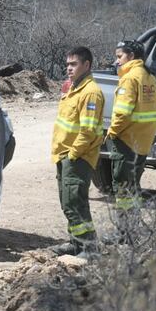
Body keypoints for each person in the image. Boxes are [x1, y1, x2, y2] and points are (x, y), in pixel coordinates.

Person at [49, 46, 105, 256]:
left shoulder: (91, 93)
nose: (69, 69)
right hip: (64, 155)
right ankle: (75, 242)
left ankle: (89, 248)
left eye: (73, 64)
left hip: (77, 157)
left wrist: (73, 155)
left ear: (86, 65)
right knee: (68, 203)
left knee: (76, 202)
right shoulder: (73, 88)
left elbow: (88, 131)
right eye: (67, 65)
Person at [106, 40, 156, 221]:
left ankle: (124, 231)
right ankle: (134, 226)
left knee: (122, 187)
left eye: (119, 56)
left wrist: (112, 132)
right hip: (143, 142)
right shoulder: (149, 76)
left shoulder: (130, 78)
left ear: (130, 56)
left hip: (127, 141)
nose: (117, 61)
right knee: (133, 186)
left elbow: (122, 113)